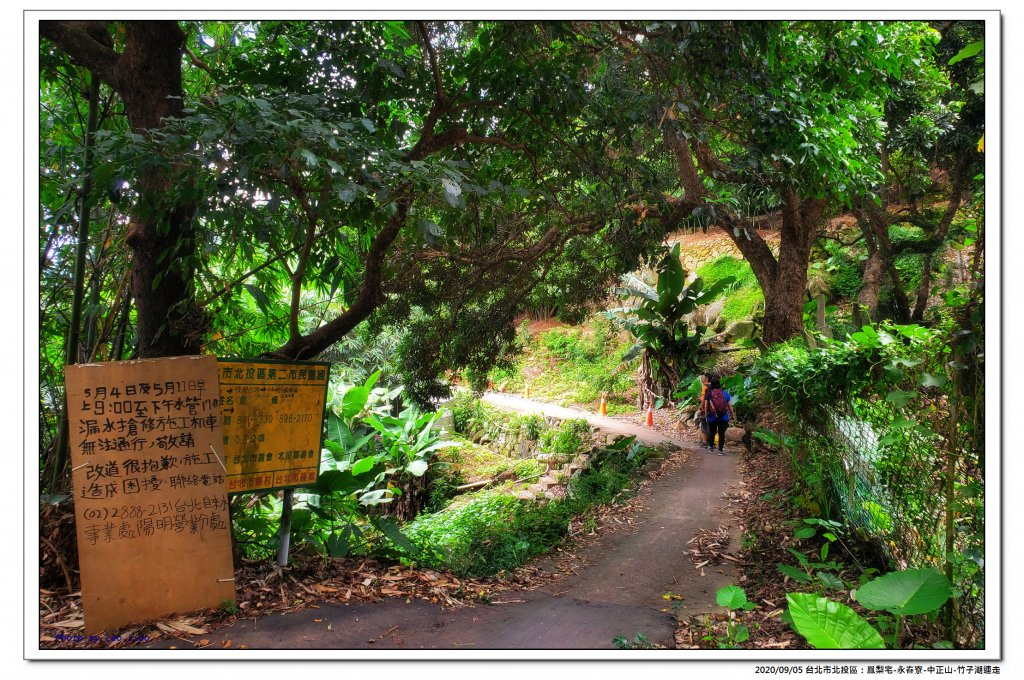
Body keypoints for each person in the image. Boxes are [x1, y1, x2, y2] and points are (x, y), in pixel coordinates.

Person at [702, 374, 736, 455]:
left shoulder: (709, 393)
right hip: (723, 417)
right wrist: (732, 415)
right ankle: (720, 451)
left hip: (712, 417)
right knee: (721, 434)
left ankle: (710, 447)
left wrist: (706, 414)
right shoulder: (724, 393)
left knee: (712, 432)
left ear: (711, 384)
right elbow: (730, 406)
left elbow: (706, 405)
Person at [698, 373, 712, 450]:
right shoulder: (713, 386)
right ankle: (711, 442)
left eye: (703, 377)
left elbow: (704, 399)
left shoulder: (705, 387)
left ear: (706, 378)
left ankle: (705, 442)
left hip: (706, 409)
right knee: (710, 425)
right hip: (713, 409)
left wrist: (701, 408)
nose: (701, 378)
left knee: (704, 425)